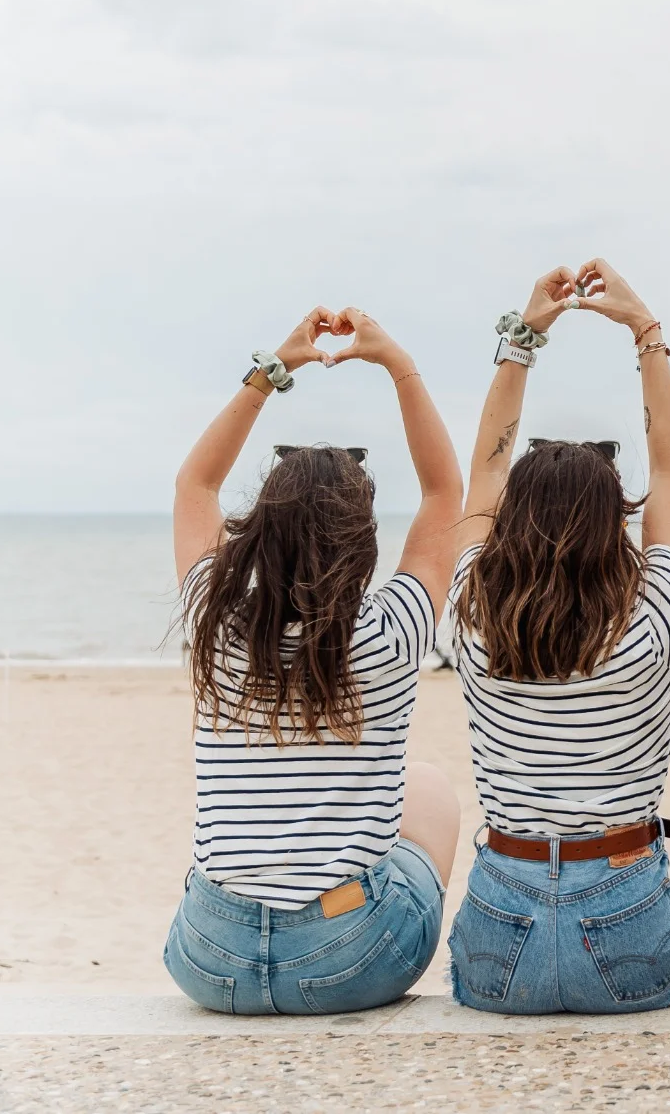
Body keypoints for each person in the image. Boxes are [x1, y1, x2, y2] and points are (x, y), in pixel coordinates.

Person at [165, 307, 463, 1015]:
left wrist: (275, 368)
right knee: (431, 793)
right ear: (362, 540)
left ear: (259, 532)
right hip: (347, 957)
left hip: (210, 958)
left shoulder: (217, 621)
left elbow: (194, 487)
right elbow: (445, 493)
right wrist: (397, 363)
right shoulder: (390, 634)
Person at [442, 261, 670, 1014]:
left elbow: (485, 468)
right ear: (612, 524)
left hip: (501, 945)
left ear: (510, 521)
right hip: (624, 926)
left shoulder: (472, 608)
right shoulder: (652, 620)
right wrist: (644, 331)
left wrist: (524, 339)